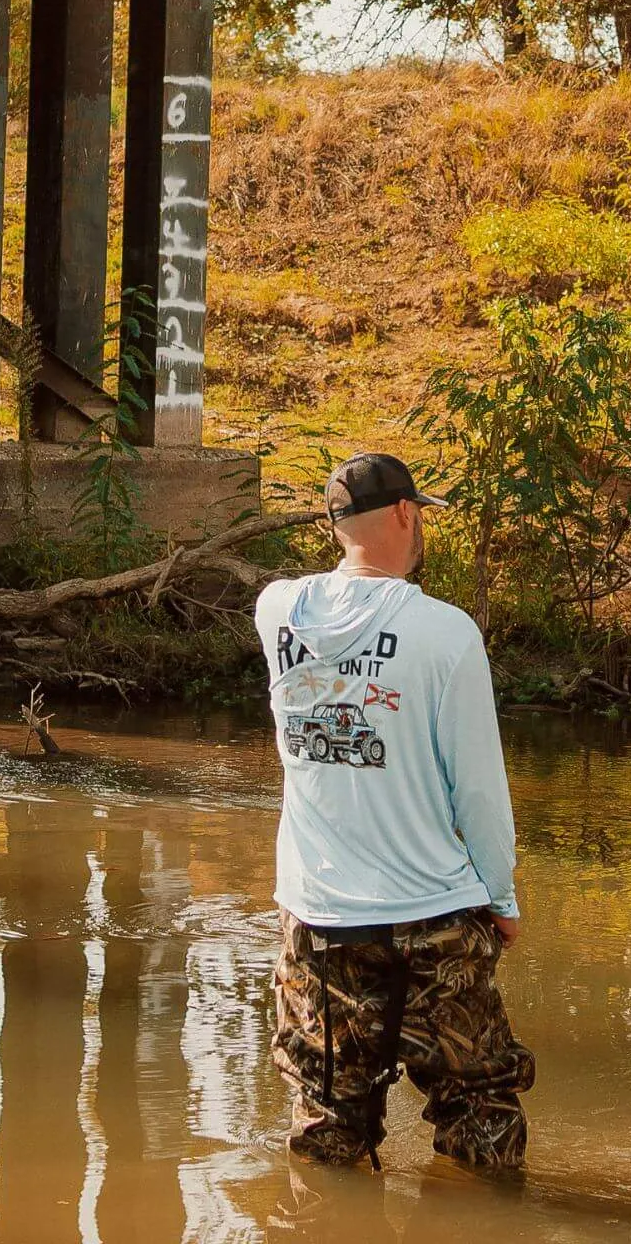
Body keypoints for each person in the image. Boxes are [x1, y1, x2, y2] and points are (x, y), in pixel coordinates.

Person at [256, 451, 535, 1172]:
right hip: (433, 919)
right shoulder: (446, 634)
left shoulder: (278, 610)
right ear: (408, 514)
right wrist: (501, 898)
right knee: (483, 1127)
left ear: (334, 525)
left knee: (326, 1131)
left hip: (318, 922)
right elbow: (478, 789)